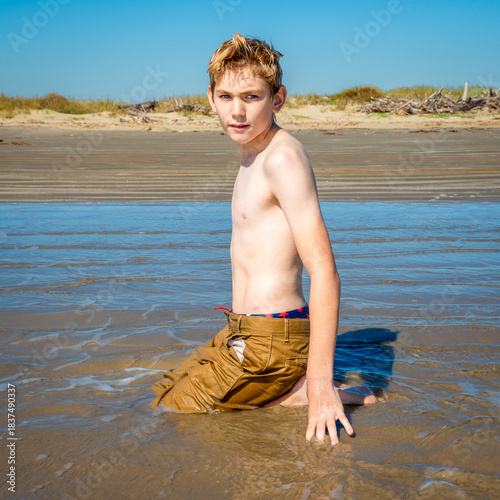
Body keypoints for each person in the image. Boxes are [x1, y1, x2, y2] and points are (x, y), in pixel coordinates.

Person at [151, 33, 376, 445]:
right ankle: (287, 392)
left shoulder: (282, 158)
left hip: (272, 341)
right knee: (165, 387)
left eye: (252, 97)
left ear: (278, 99)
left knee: (172, 409)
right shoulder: (252, 154)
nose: (237, 111)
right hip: (245, 332)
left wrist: (321, 386)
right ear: (210, 97)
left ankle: (299, 390)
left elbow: (325, 272)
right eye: (226, 96)